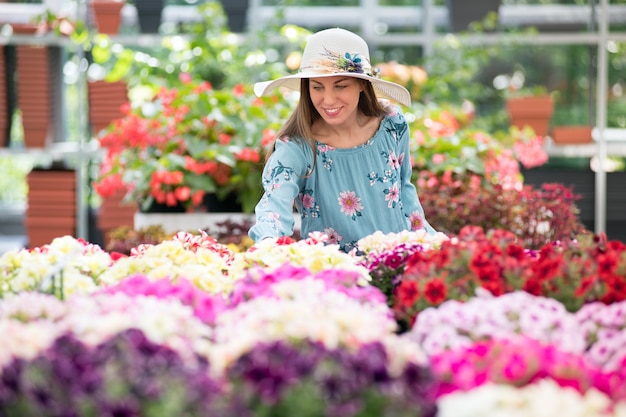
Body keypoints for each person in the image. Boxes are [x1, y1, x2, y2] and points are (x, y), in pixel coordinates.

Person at [248, 27, 437, 252]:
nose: (328, 100)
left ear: (361, 85)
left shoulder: (391, 124)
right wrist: (269, 247)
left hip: (398, 264)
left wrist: (431, 247)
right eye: (317, 87)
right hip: (338, 277)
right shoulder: (297, 148)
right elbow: (273, 209)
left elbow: (405, 190)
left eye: (341, 86)